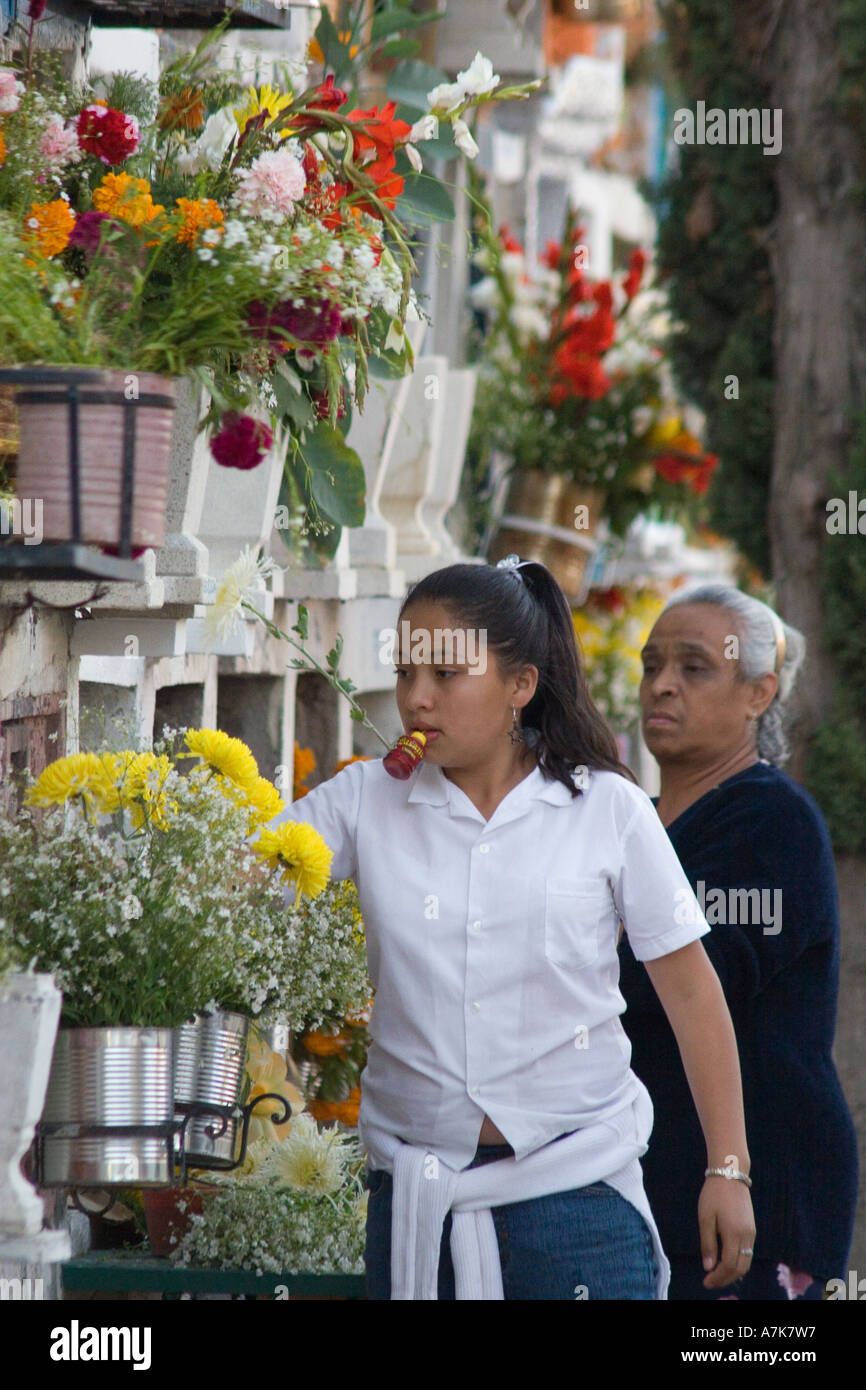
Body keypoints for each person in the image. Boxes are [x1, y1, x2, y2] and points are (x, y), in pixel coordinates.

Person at [273, 558, 755, 1300]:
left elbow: (694, 996)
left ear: (519, 686)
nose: (416, 700)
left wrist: (728, 1170)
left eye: (444, 676)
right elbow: (250, 872)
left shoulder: (608, 811)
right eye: (405, 674)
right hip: (415, 1208)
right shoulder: (363, 801)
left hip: (579, 1208)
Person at [619, 584, 859, 1301]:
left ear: (760, 693)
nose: (661, 683)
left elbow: (680, 984)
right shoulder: (642, 821)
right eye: (652, 663)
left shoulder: (770, 820)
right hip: (661, 1195)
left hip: (752, 1210)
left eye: (694, 667)